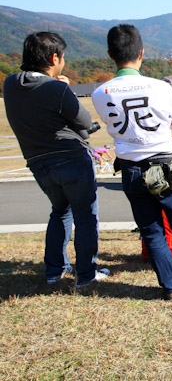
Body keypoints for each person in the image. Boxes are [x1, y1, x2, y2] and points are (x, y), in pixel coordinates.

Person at [92, 24, 172, 301]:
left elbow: (110, 126)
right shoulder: (161, 87)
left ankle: (171, 287)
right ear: (141, 52)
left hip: (131, 168)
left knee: (151, 231)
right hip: (166, 167)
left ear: (110, 54)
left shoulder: (100, 93)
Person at [4, 32, 107, 287]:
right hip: (71, 157)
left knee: (59, 212)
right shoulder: (56, 88)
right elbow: (83, 121)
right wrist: (65, 88)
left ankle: (54, 270)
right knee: (85, 216)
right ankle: (86, 274)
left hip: (38, 162)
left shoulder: (9, 84)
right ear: (54, 58)